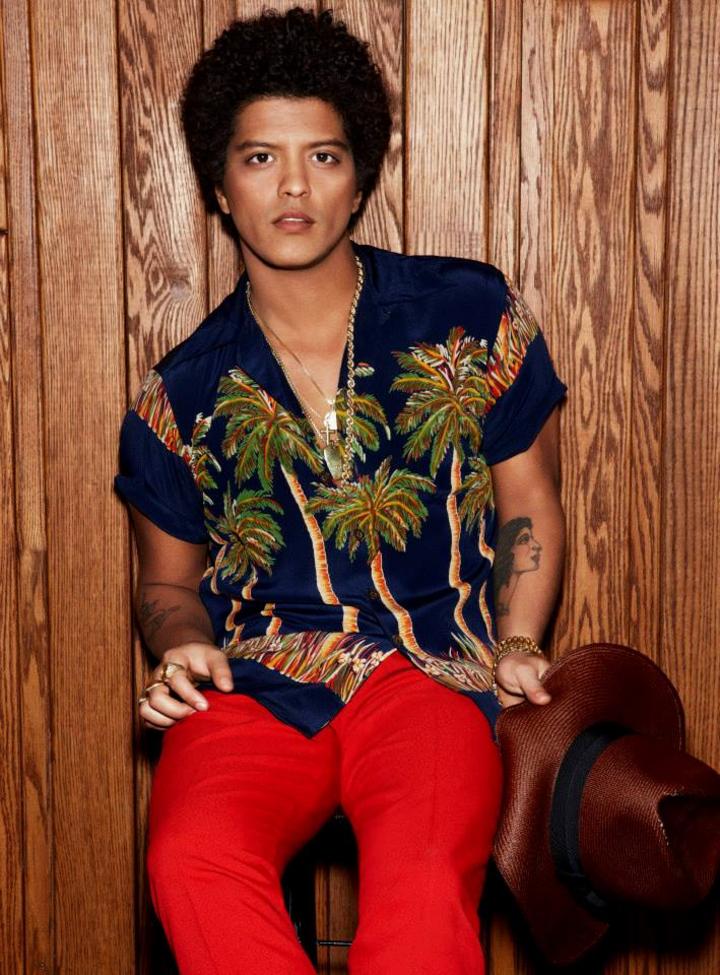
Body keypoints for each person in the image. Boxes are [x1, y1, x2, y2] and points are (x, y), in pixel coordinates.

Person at [114, 7, 567, 974]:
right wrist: (182, 641)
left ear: (358, 179)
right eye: (260, 158)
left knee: (421, 888)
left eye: (322, 156)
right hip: (254, 680)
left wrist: (521, 641)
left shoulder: (467, 313)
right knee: (191, 858)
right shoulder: (176, 395)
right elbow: (165, 583)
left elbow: (527, 498)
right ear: (219, 186)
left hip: (431, 669)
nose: (293, 185)